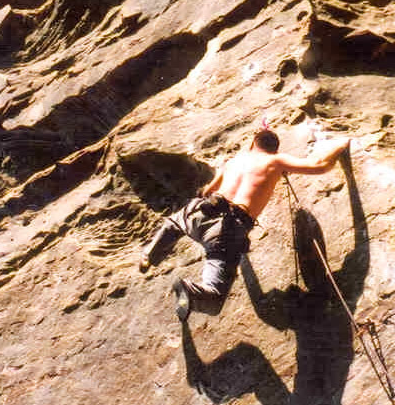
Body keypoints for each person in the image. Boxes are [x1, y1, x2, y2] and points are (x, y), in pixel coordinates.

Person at [140, 128, 351, 320]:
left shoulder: (234, 160)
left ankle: (149, 254)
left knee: (175, 222)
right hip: (225, 230)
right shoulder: (276, 161)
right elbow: (320, 165)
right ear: (274, 149)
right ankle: (190, 291)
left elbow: (207, 191)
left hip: (197, 213)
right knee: (213, 298)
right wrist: (340, 146)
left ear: (253, 143)